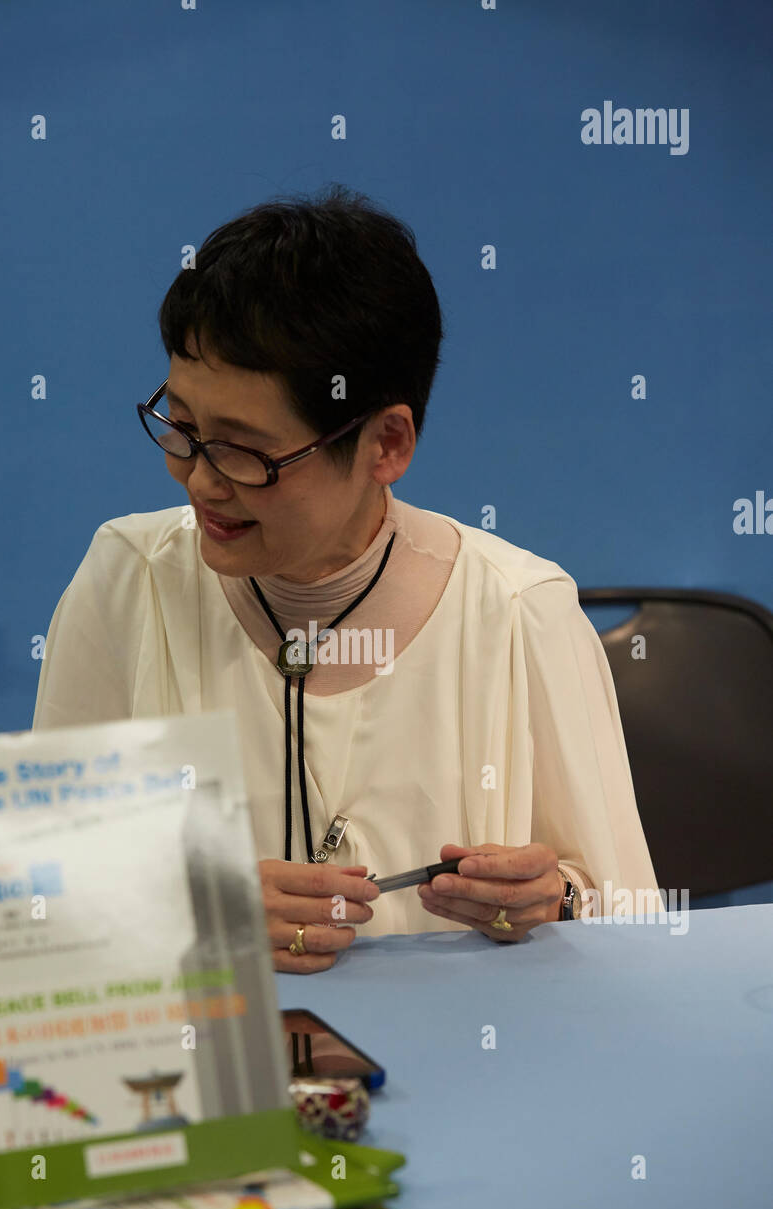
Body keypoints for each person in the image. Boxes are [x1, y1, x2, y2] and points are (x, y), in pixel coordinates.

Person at [33, 184, 661, 973]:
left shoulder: (519, 613)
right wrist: (186, 907)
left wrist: (555, 899)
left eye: (245, 451)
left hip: (468, 1068)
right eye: (182, 429)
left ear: (385, 444)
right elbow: (31, 910)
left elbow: (632, 925)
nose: (199, 481)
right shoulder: (130, 584)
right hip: (216, 1079)